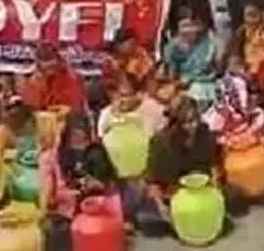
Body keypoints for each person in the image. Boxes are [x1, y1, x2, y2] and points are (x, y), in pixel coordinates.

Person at [43, 112, 121, 244]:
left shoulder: (96, 152)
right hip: (65, 210)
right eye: (74, 133)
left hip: (95, 209)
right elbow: (55, 188)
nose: (78, 137)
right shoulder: (57, 154)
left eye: (81, 133)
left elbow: (105, 183)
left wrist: (88, 185)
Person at [144, 97, 220, 226]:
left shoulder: (205, 133)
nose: (192, 126)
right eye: (186, 122)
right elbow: (152, 179)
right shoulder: (161, 142)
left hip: (199, 187)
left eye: (195, 120)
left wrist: (216, 193)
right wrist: (161, 206)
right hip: (171, 189)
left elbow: (212, 164)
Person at [161, 9, 219, 109]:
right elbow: (172, 74)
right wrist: (177, 83)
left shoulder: (211, 44)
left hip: (206, 84)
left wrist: (192, 79)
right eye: (185, 26)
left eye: (192, 26)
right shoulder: (173, 47)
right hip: (181, 85)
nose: (189, 30)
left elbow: (216, 70)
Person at [18, 43, 86, 113]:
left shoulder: (70, 78)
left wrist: (67, 109)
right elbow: (31, 105)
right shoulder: (35, 81)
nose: (49, 71)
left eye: (51, 67)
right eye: (45, 69)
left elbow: (75, 105)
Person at [98, 74, 167, 140]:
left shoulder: (155, 109)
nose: (120, 101)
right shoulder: (106, 114)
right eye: (116, 96)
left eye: (124, 95)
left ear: (138, 95)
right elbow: (102, 138)